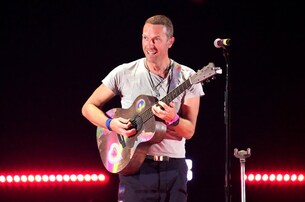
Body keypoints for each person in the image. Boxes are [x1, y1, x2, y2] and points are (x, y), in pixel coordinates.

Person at [82, 15, 204, 202]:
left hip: (174, 169)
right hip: (136, 168)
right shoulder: (124, 72)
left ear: (170, 41)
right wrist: (111, 123)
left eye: (156, 39)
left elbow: (189, 131)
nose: (149, 45)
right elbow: (88, 107)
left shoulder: (187, 76)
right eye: (145, 38)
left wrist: (174, 119)